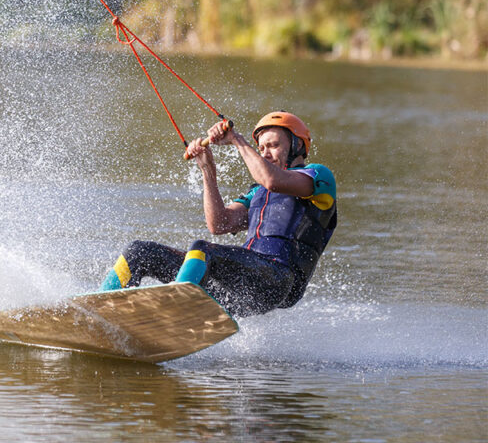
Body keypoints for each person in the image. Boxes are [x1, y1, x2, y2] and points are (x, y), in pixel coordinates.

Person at [100, 111, 337, 317]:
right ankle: (101, 308)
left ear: (298, 146)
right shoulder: (257, 193)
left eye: (273, 145)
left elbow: (272, 180)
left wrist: (236, 139)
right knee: (140, 251)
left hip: (278, 282)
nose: (265, 153)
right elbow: (220, 223)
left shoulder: (318, 176)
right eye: (261, 147)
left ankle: (172, 315)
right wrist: (207, 169)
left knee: (202, 250)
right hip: (241, 284)